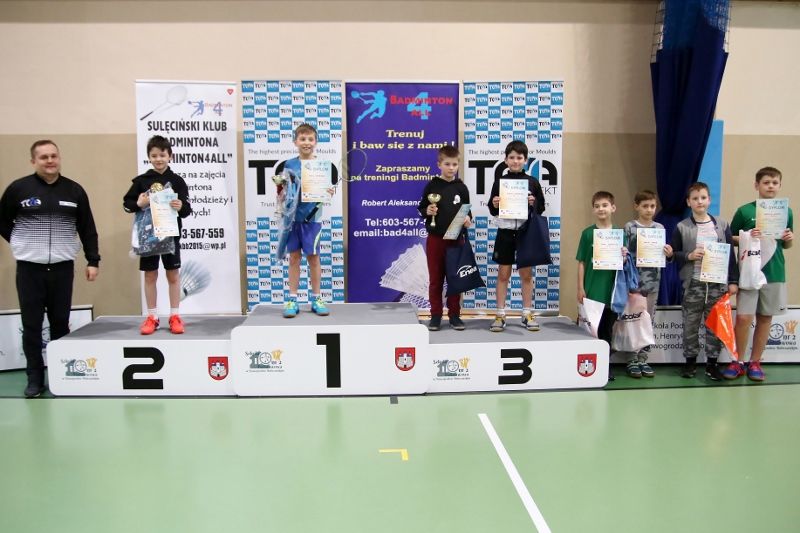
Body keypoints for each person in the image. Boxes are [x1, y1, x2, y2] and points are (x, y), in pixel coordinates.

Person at [0, 140, 100, 398]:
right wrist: (22, 242)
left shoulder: (74, 190)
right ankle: (34, 379)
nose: (50, 161)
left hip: (62, 269)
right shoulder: (18, 189)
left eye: (54, 156)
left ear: (59, 158)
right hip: (29, 270)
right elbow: (3, 222)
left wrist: (93, 260)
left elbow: (87, 228)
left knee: (60, 324)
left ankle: (60, 376)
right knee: (31, 326)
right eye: (44, 157)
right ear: (33, 161)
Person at [725, 167, 793, 381]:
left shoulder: (786, 212)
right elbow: (730, 238)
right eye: (766, 182)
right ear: (757, 185)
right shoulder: (744, 211)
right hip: (749, 272)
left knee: (765, 318)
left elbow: (786, 244)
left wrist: (789, 238)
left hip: (774, 273)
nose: (770, 186)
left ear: (779, 186)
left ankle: (755, 362)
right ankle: (737, 361)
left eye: (774, 182)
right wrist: (747, 235)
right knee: (743, 318)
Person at [123, 135, 192, 335]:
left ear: (170, 156)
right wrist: (139, 203)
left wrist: (180, 206)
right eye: (154, 156)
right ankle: (152, 317)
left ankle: (175, 315)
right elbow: (127, 205)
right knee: (150, 275)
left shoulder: (177, 181)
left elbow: (186, 211)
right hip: (148, 238)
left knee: (173, 274)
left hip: (170, 236)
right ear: (149, 157)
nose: (158, 159)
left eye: (162, 155)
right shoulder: (141, 181)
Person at [671, 182, 738, 381]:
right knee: (690, 325)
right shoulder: (682, 227)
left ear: (709, 200)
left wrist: (733, 280)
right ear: (688, 202)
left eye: (703, 197)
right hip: (693, 283)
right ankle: (690, 362)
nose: (699, 201)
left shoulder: (722, 225)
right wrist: (689, 255)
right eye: (695, 198)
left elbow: (730, 256)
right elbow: (673, 254)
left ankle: (712, 364)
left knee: (715, 325)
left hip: (717, 284)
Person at [275, 123, 335, 318]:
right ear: (295, 142)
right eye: (302, 139)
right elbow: (283, 191)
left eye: (310, 139)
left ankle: (317, 298)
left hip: (312, 220)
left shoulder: (321, 166)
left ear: (316, 142)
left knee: (314, 258)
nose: (306, 142)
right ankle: (292, 299)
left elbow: (324, 191)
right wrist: (281, 190)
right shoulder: (289, 165)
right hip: (292, 220)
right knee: (294, 258)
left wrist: (328, 192)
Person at [487, 140, 545, 332]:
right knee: (503, 274)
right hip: (505, 232)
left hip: (525, 233)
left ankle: (527, 313)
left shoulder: (532, 182)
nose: (515, 161)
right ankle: (500, 314)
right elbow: (492, 208)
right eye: (511, 157)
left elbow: (541, 208)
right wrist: (495, 204)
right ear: (505, 160)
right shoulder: (500, 182)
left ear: (525, 160)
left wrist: (533, 202)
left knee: (526, 274)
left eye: (519, 157)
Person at [417, 145, 472, 331]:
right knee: (436, 280)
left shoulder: (461, 188)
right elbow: (422, 208)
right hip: (435, 239)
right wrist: (427, 210)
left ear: (458, 165)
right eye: (447, 164)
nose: (451, 168)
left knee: (455, 280)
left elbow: (468, 212)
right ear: (439, 164)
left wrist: (468, 220)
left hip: (456, 239)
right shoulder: (432, 186)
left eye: (454, 164)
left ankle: (455, 315)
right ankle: (435, 315)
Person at [576, 191, 627, 381]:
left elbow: (625, 264)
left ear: (613, 208)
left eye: (604, 205)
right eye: (597, 206)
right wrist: (580, 287)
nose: (601, 209)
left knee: (607, 330)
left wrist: (624, 256)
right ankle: (588, 367)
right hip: (592, 290)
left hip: (612, 292)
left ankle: (605, 366)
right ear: (593, 210)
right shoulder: (587, 234)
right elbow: (581, 262)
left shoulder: (620, 235)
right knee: (591, 331)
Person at [622, 190, 673, 378]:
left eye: (652, 206)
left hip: (653, 283)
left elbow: (664, 257)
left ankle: (643, 358)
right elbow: (624, 254)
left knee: (647, 321)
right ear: (636, 206)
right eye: (645, 206)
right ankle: (631, 359)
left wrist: (668, 253)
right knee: (633, 320)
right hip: (634, 283)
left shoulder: (659, 228)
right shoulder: (630, 227)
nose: (649, 210)